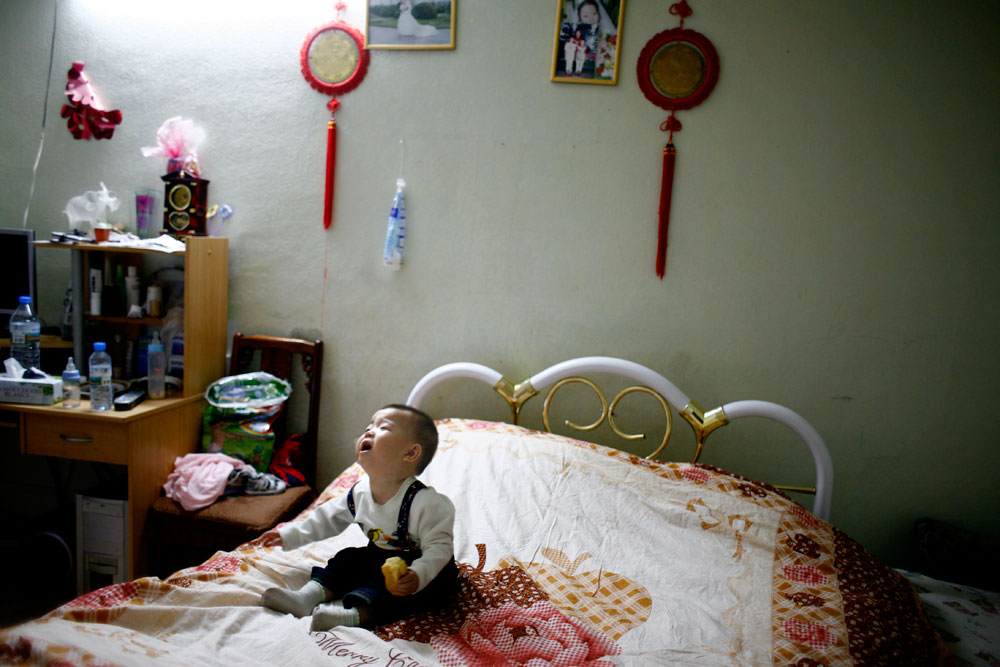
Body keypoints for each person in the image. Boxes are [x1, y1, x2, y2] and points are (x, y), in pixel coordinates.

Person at [259, 404, 457, 630]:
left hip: (424, 567)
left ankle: (352, 616)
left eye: (383, 428)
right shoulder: (359, 493)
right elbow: (325, 519)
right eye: (368, 427)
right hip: (380, 556)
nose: (369, 432)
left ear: (411, 453)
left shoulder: (427, 503)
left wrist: (419, 575)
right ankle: (306, 598)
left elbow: (439, 548)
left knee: (393, 590)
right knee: (348, 560)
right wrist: (287, 535)